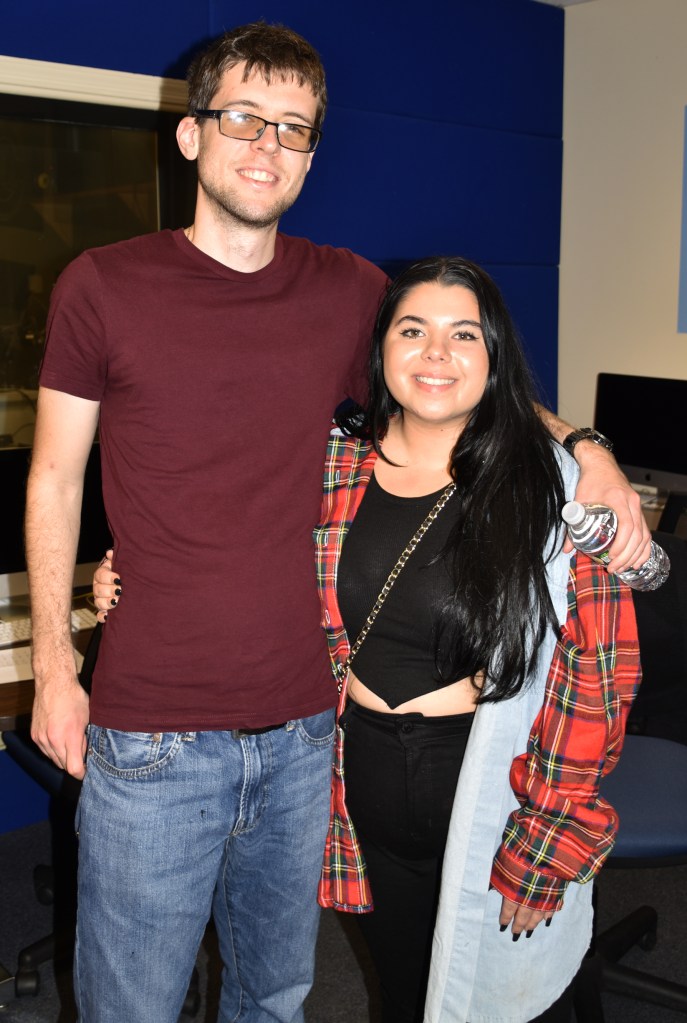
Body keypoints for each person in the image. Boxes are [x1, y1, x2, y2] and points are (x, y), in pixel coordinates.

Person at [27, 20, 647, 1023]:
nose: (267, 146)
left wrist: (588, 447)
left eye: (294, 128)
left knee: (276, 996)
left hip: (308, 733)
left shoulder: (349, 290)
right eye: (243, 119)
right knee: (128, 1006)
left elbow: (459, 375)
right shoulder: (102, 285)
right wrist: (57, 669)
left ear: (313, 152)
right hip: (153, 733)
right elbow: (56, 478)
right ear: (190, 133)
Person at [311, 257, 641, 1022]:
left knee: (508, 1000)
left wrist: (546, 838)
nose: (436, 352)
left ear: (493, 356)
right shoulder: (332, 461)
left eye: (463, 334)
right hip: (360, 781)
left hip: (490, 787)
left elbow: (596, 673)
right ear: (380, 347)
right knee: (406, 996)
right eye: (412, 329)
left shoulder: (553, 486)